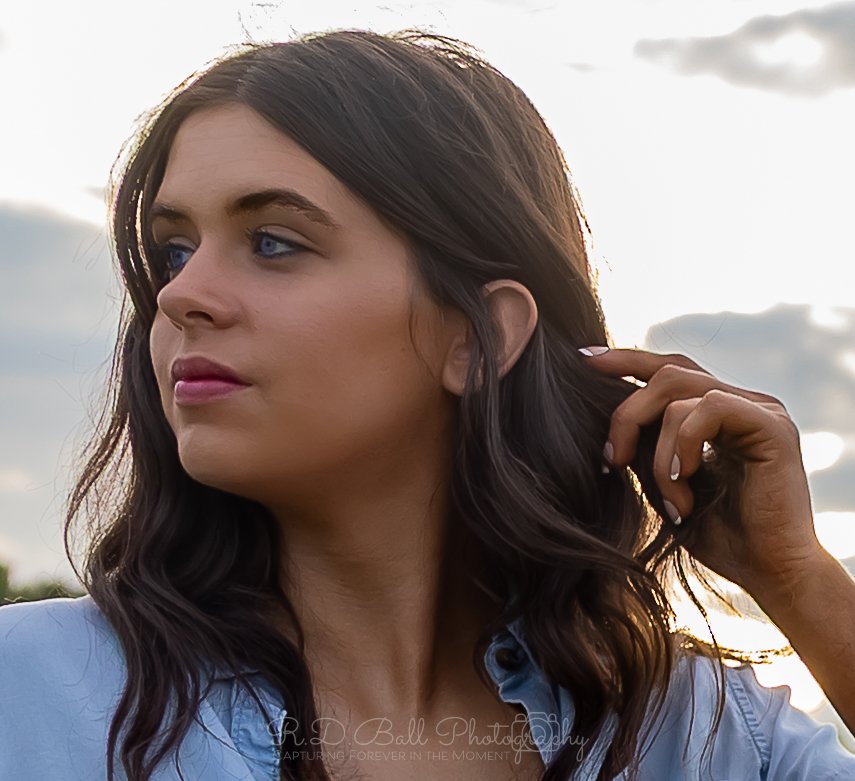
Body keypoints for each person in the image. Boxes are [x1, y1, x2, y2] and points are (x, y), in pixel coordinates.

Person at [1, 28, 853, 781]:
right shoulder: (29, 693)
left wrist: (801, 581)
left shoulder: (702, 739)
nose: (182, 295)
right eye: (174, 249)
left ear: (475, 334)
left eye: (273, 242)